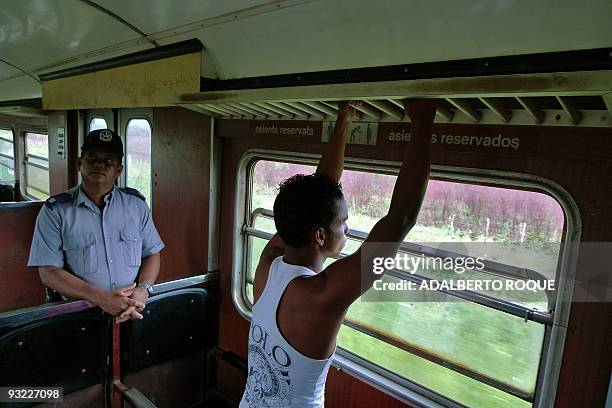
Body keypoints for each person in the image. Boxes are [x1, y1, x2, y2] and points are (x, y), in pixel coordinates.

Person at [240, 99, 437, 408]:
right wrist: (424, 120)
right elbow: (400, 220)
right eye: (343, 222)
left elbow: (317, 194)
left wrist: (344, 118)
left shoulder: (269, 261)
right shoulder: (322, 295)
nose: (347, 229)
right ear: (319, 234)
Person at [27, 129, 164, 323]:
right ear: (78, 164)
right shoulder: (55, 211)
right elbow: (48, 272)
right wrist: (101, 298)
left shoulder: (136, 205)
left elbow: (152, 253)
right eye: (92, 158)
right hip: (80, 313)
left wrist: (144, 289)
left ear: (119, 170)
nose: (99, 164)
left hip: (132, 309)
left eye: (108, 160)